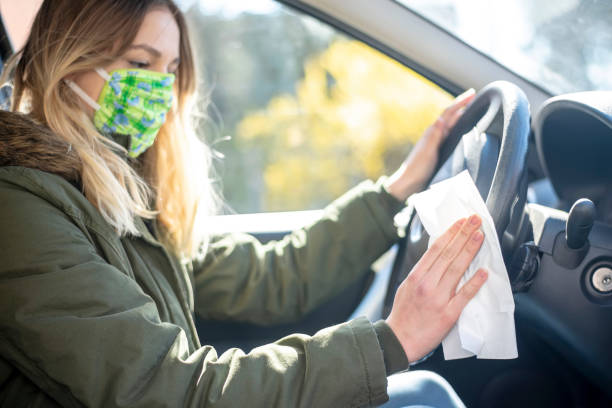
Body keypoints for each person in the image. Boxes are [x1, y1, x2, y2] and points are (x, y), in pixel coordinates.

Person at [0, 1, 486, 407]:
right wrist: (390, 342)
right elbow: (169, 388)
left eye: (170, 71)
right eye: (140, 63)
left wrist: (397, 189)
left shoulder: (123, 197)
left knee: (425, 392)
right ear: (65, 60)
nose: (160, 92)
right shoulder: (20, 211)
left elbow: (273, 276)